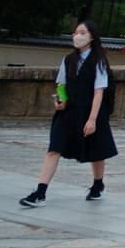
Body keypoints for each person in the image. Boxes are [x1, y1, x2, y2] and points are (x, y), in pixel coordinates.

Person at [19, 21, 118, 208]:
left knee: (96, 150)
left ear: (92, 37)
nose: (77, 36)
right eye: (75, 33)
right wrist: (61, 100)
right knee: (54, 148)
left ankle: (98, 184)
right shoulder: (68, 60)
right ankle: (40, 191)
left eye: (82, 32)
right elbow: (61, 84)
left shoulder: (99, 61)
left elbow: (99, 91)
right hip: (70, 112)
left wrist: (92, 119)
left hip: (91, 110)